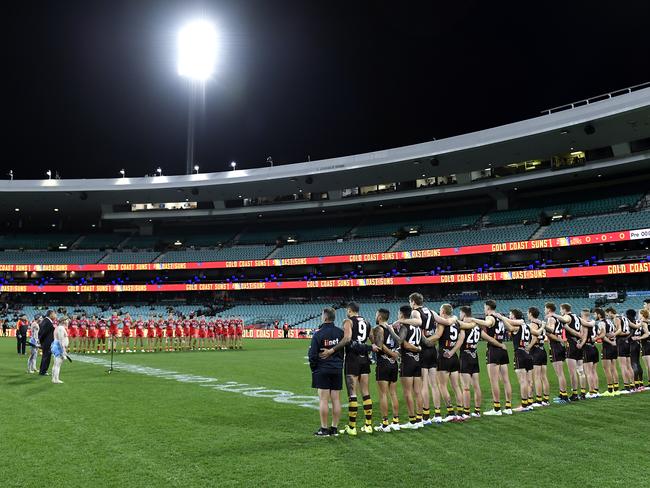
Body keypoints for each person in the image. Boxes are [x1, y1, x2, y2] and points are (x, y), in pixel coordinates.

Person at [320, 302, 373, 436]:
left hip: (352, 359)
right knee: (366, 392)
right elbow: (373, 340)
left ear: (349, 310)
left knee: (353, 394)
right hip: (365, 358)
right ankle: (368, 425)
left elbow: (347, 338)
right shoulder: (367, 322)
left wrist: (332, 349)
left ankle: (352, 427)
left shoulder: (348, 321)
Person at [402, 292, 442, 425]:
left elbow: (418, 322)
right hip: (432, 349)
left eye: (410, 301)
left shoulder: (415, 312)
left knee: (424, 384)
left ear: (413, 301)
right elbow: (445, 321)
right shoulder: (431, 311)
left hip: (423, 349)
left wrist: (401, 320)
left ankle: (425, 415)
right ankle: (437, 414)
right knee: (434, 384)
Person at [470, 300, 513, 416]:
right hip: (503, 348)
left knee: (494, 381)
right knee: (506, 380)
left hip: (494, 349)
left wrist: (473, 319)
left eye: (485, 307)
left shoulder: (490, 317)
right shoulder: (500, 317)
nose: (484, 309)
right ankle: (508, 406)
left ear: (488, 308)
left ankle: (497, 408)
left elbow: (488, 324)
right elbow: (510, 328)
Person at [423, 304, 465, 421]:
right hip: (453, 356)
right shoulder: (456, 323)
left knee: (442, 385)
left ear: (443, 312)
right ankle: (460, 412)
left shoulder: (442, 323)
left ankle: (450, 411)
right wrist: (452, 351)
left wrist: (424, 340)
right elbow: (461, 339)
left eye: (440, 310)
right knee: (456, 386)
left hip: (443, 356)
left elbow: (437, 335)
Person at [308, 307, 344, 437]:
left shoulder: (318, 333)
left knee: (323, 399)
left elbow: (312, 355)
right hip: (337, 369)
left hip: (322, 369)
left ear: (325, 317)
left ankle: (324, 429)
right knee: (336, 400)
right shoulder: (340, 333)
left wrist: (314, 368)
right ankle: (334, 428)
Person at [494, 309, 534, 412]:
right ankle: (529, 403)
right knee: (529, 381)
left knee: (523, 381)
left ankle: (524, 405)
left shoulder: (517, 326)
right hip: (528, 354)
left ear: (515, 316)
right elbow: (536, 334)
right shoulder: (527, 326)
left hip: (520, 354)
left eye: (511, 315)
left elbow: (510, 327)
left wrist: (502, 318)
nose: (510, 316)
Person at [371, 308, 400, 432]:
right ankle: (396, 422)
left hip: (383, 362)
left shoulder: (379, 328)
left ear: (380, 317)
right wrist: (395, 354)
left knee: (383, 394)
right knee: (393, 393)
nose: (375, 316)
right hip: (394, 364)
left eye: (376, 314)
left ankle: (385, 424)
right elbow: (398, 343)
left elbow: (379, 345)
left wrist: (391, 354)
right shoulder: (391, 328)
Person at [456, 306, 483, 418]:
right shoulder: (476, 326)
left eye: (460, 313)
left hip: (465, 356)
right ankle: (477, 411)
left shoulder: (464, 326)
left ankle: (466, 412)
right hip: (474, 355)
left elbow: (460, 341)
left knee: (466, 387)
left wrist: (452, 351)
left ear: (463, 313)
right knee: (476, 385)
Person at [544, 302, 569, 402]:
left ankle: (564, 396)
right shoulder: (558, 318)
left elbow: (551, 331)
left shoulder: (551, 318)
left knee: (559, 373)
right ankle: (562, 394)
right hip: (559, 346)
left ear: (549, 309)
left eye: (545, 308)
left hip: (555, 346)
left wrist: (543, 327)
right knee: (560, 373)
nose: (544, 310)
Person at [528, 307, 550, 406]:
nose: (527, 315)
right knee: (544, 377)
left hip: (535, 350)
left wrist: (528, 347)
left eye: (528, 313)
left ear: (531, 313)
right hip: (542, 350)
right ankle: (546, 399)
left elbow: (534, 338)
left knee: (537, 377)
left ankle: (539, 400)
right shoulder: (541, 323)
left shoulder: (533, 323)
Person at [578, 308, 603, 398]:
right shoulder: (594, 324)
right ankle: (596, 391)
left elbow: (583, 336)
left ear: (583, 315)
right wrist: (595, 338)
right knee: (594, 371)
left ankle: (591, 392)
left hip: (587, 348)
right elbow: (600, 333)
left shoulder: (584, 325)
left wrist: (580, 343)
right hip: (594, 347)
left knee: (588, 372)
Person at [601, 309, 620, 396]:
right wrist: (613, 338)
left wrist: (610, 341)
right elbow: (615, 330)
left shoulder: (602, 322)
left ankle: (610, 390)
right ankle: (616, 388)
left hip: (607, 346)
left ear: (598, 315)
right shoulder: (610, 321)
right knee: (613, 367)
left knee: (606, 369)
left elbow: (603, 335)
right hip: (614, 346)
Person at [627, 309, 644, 390]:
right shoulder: (637, 321)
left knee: (633, 363)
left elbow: (630, 333)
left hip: (632, 344)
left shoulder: (630, 322)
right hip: (637, 344)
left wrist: (627, 339)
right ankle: (640, 382)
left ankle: (636, 384)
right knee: (637, 362)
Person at [634, 308, 650, 389]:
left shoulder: (643, 323)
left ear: (642, 314)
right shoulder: (647, 321)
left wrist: (638, 338)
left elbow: (646, 334)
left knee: (648, 365)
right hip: (646, 344)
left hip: (646, 345)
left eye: (639, 313)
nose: (638, 315)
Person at [38, 310, 57, 376]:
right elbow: (42, 333)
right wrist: (42, 342)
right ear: (51, 314)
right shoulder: (47, 322)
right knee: (46, 357)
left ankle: (42, 370)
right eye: (54, 314)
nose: (55, 315)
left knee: (45, 356)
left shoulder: (46, 321)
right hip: (47, 343)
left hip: (46, 342)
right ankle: (43, 371)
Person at [51, 317, 69, 384]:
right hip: (59, 347)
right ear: (64, 321)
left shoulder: (59, 327)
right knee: (58, 364)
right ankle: (56, 379)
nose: (68, 321)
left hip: (57, 346)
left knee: (55, 364)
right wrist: (63, 350)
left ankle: (54, 379)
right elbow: (61, 340)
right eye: (67, 320)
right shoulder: (61, 328)